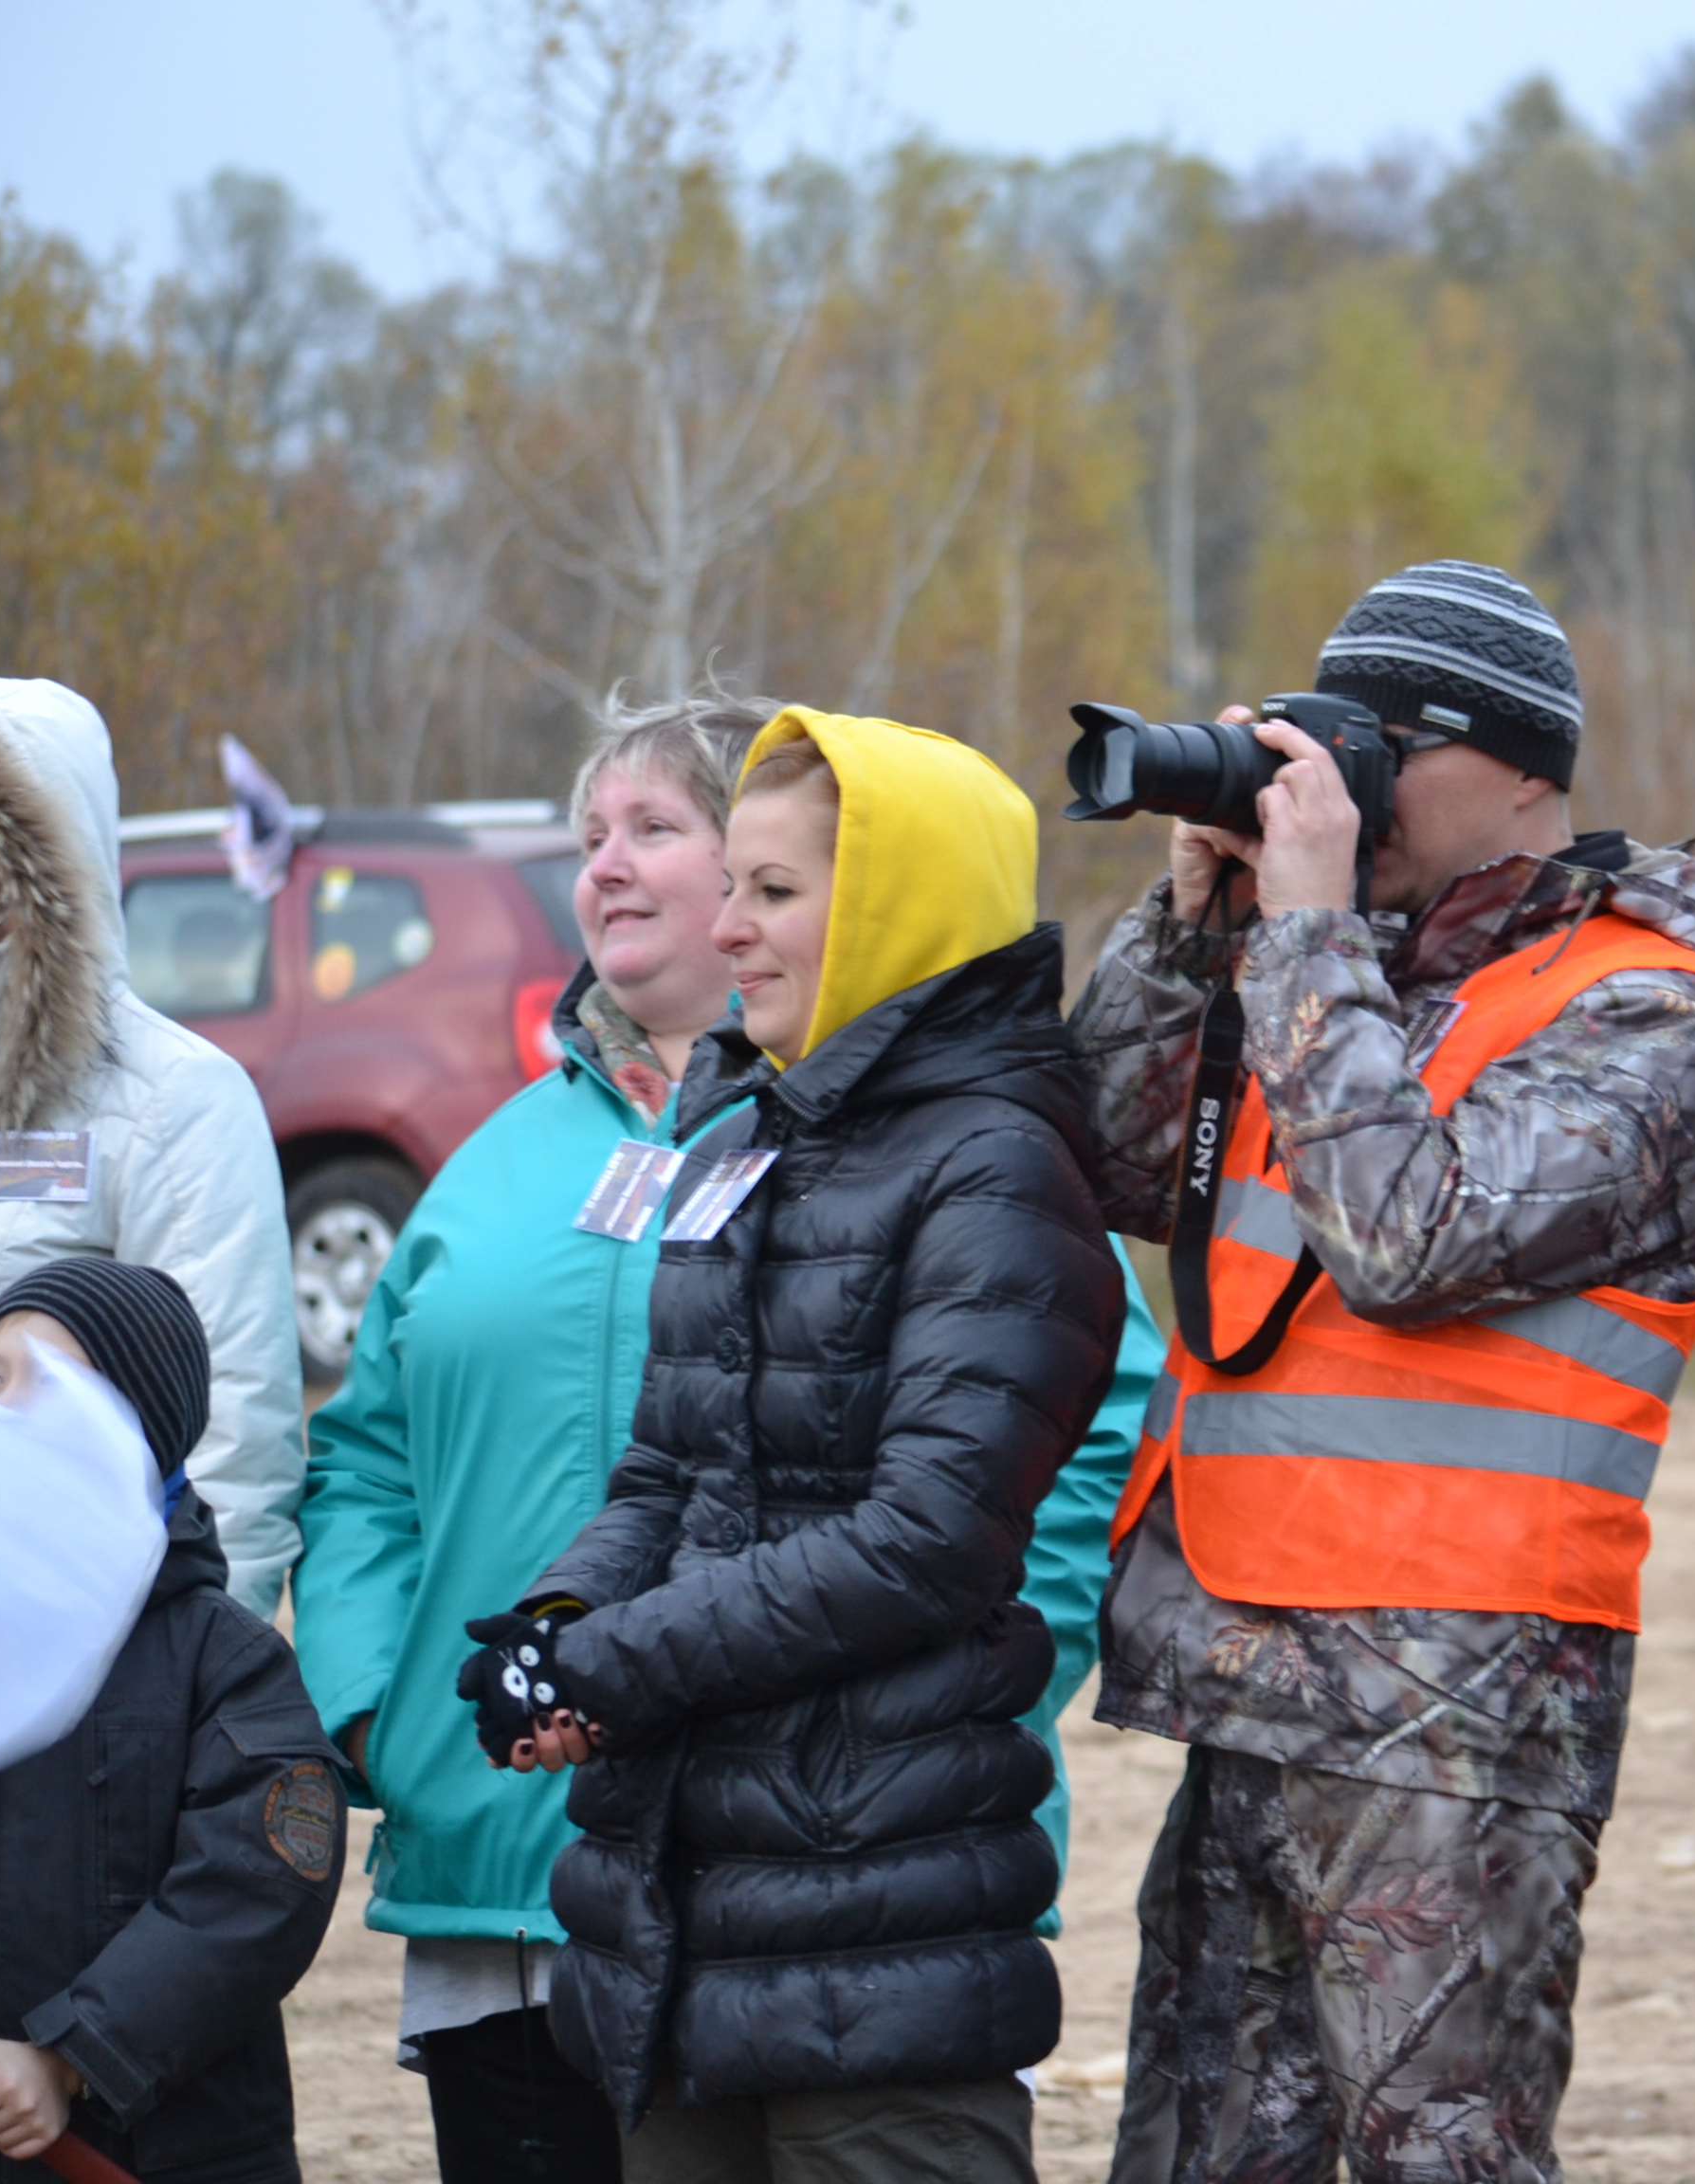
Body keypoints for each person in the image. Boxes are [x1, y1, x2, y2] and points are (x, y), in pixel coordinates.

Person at [297, 693, 1162, 2184]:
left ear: (885, 904)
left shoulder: (995, 1166)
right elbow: (662, 1470)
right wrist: (539, 1634)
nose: (729, 924)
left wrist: (611, 1668)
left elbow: (940, 1531)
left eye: (767, 888)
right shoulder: (743, 1143)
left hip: (872, 1891)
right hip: (666, 1882)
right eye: (732, 884)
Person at [1070, 559, 1695, 2184]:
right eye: (1336, 737)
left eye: (1395, 745)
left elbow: (1405, 1239)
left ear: (1528, 768)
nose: (1356, 781)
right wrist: (1196, 927)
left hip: (1461, 1719)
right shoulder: (1337, 974)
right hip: (1249, 1674)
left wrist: (1309, 930)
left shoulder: (1648, 1010)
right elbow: (1110, 1166)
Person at [0, 1258, 341, 2184]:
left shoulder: (222, 1658)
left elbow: (257, 1890)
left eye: (55, 1387)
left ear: (140, 1429)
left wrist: (72, 2056)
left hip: (170, 2151)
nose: (6, 1411)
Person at [0, 660, 302, 1617]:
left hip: (57, 1664)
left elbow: (231, 1452)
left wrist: (186, 1687)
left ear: (22, 875)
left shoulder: (171, 1102)